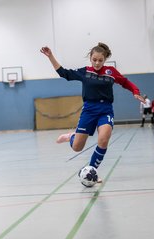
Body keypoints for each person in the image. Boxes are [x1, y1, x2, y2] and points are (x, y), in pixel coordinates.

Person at [40, 43, 145, 182]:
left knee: (104, 138)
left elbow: (125, 82)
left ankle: (91, 171)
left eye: (100, 60)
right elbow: (64, 73)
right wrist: (50, 56)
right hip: (89, 110)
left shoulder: (111, 72)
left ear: (104, 60)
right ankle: (71, 137)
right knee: (77, 147)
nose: (97, 63)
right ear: (90, 58)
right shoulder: (85, 71)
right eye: (94, 59)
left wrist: (135, 92)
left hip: (105, 110)